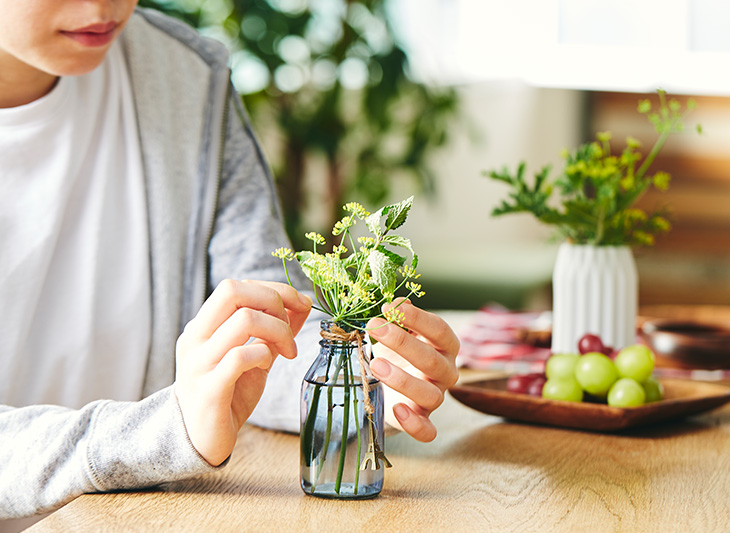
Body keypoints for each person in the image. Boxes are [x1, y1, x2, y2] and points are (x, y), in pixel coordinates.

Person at [0, 0, 460, 520]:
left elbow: (261, 319)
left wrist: (365, 370)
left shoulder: (186, 77)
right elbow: (177, 426)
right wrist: (162, 432)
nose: (104, 5)